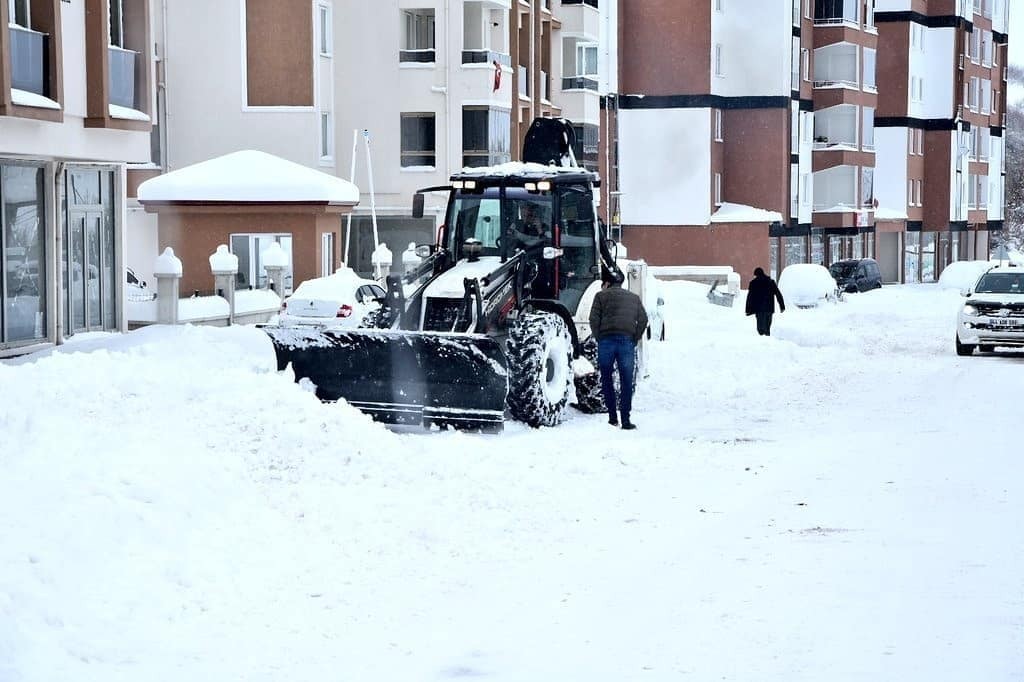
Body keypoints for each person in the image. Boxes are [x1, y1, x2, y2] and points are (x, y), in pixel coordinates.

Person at [589, 269, 648, 429]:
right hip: (626, 342)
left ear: (607, 283)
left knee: (606, 379)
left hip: (606, 341)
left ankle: (612, 418)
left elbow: (593, 319)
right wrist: (634, 338)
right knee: (626, 381)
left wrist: (599, 337)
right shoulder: (634, 298)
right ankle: (626, 420)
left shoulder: (600, 296)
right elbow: (643, 319)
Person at [745, 267, 785, 336]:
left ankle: (763, 340)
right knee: (767, 328)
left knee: (760, 329)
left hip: (759, 310)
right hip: (769, 309)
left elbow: (749, 298)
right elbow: (778, 294)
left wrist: (748, 310)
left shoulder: (753, 283)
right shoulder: (771, 282)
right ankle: (767, 338)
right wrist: (782, 306)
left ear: (756, 275)